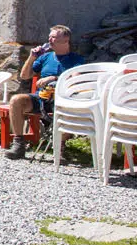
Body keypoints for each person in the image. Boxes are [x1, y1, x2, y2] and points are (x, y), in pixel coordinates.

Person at [5, 24, 84, 160]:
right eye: (49, 37)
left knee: (68, 110)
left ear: (65, 40)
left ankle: (60, 146)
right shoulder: (45, 57)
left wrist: (53, 78)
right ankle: (19, 145)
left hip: (62, 99)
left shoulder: (76, 59)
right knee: (16, 100)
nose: (49, 40)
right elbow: (24, 76)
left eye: (53, 37)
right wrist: (32, 57)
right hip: (42, 97)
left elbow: (75, 79)